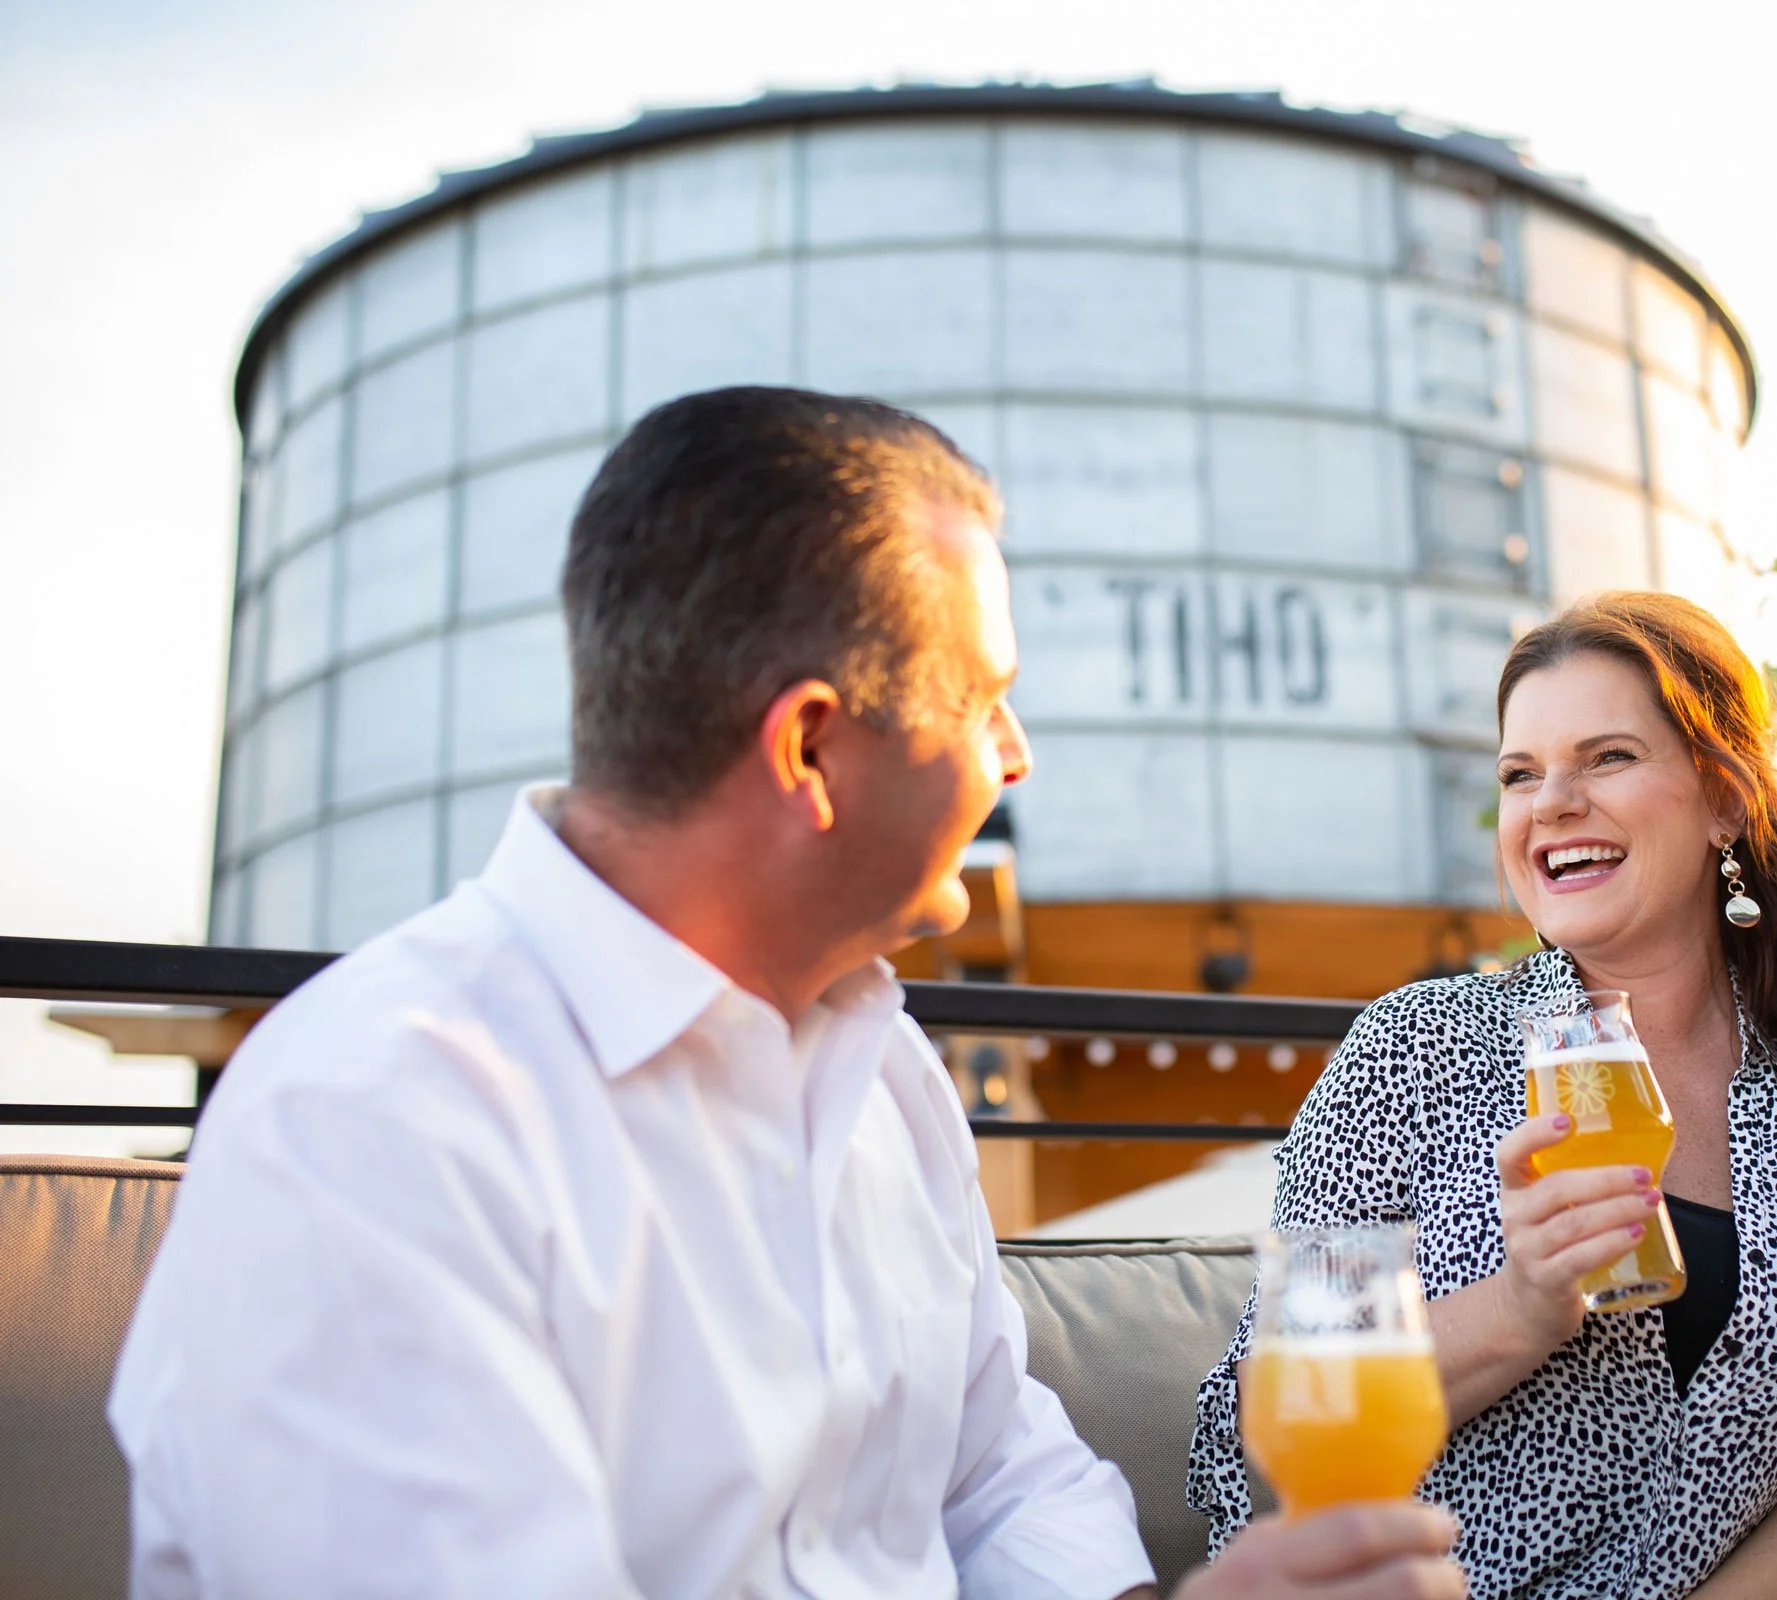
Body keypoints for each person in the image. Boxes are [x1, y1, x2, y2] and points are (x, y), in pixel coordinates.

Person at [110, 389, 1462, 1600]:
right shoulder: (375, 1127)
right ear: (811, 746)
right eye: (985, 698)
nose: (1018, 755)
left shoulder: (884, 1072)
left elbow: (1000, 1471)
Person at [1189, 591, 1777, 1598]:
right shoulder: (1417, 1049)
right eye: (1521, 774)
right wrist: (1524, 1304)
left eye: (1607, 757)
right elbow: (1275, 1410)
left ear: (1725, 800)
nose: (1550, 803)